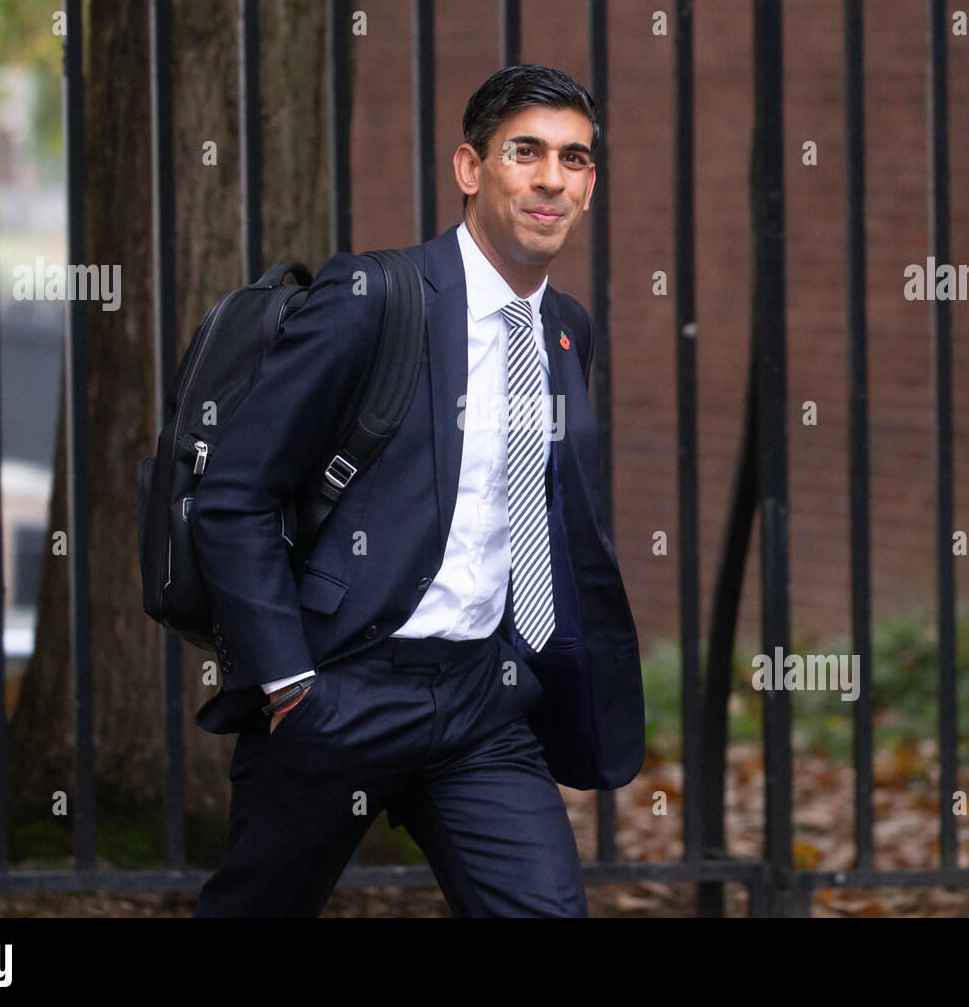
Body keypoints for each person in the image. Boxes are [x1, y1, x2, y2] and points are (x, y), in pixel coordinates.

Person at [191, 63, 644, 918]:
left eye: (576, 159)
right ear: (470, 169)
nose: (553, 178)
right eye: (528, 152)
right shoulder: (374, 299)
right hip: (340, 690)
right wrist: (291, 686)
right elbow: (234, 494)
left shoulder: (565, 330)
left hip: (480, 700)